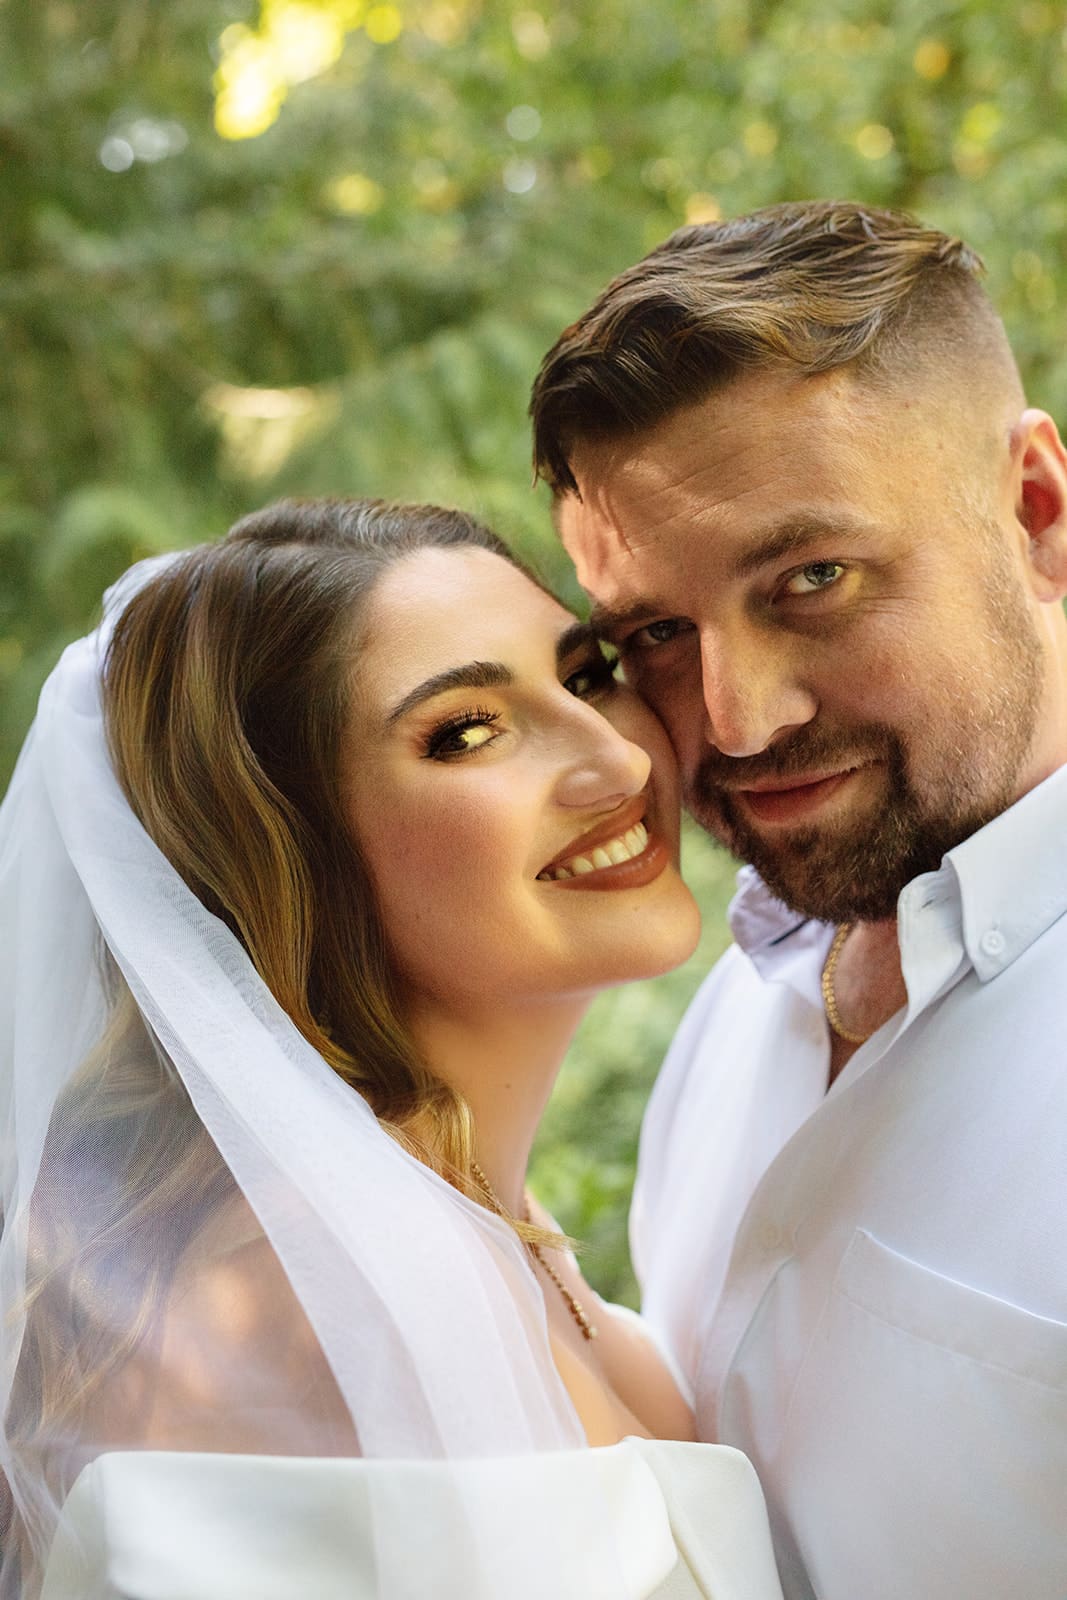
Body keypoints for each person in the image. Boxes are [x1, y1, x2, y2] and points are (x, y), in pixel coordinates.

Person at [0, 497, 785, 1600]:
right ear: (285, 848)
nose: (613, 757)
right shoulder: (300, 1303)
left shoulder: (460, 1217)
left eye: (583, 674)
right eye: (467, 730)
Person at [529, 200, 1067, 1600]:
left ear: (1033, 516)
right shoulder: (737, 1001)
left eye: (810, 579)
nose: (734, 719)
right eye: (653, 635)